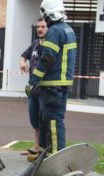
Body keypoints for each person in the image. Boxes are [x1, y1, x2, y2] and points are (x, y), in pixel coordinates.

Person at [28, 0, 77, 160]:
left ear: (47, 14)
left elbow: (47, 57)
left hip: (52, 85)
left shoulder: (55, 31)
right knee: (45, 120)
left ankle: (56, 157)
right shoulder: (68, 30)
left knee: (54, 121)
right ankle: (43, 153)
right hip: (60, 84)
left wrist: (33, 79)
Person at [20, 18, 48, 157]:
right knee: (35, 120)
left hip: (45, 90)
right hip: (33, 90)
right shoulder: (35, 44)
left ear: (48, 28)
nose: (40, 29)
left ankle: (42, 148)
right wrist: (23, 63)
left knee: (44, 120)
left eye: (43, 26)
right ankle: (37, 146)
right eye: (38, 27)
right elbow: (23, 56)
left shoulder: (49, 45)